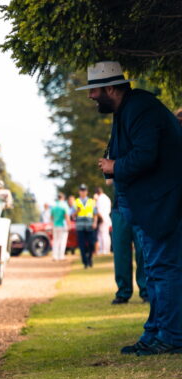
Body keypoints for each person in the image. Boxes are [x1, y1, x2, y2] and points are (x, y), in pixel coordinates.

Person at [82, 60, 182, 355]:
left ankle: (172, 336)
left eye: (94, 90)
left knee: (164, 270)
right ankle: (155, 332)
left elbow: (146, 155)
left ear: (110, 88)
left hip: (161, 205)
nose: (90, 96)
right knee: (154, 271)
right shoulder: (128, 109)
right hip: (150, 205)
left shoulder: (141, 108)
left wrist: (115, 165)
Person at [110, 193, 148, 305]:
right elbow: (108, 179)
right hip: (120, 208)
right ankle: (123, 292)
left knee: (143, 252)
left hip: (142, 207)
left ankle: (146, 291)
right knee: (121, 254)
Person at [73, 184, 97, 268]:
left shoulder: (92, 201)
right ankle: (85, 262)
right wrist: (76, 211)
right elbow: (72, 215)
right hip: (80, 226)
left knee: (91, 244)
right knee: (81, 245)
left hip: (90, 225)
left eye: (84, 190)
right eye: (81, 190)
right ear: (79, 192)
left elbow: (95, 214)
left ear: (86, 191)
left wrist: (95, 223)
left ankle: (89, 258)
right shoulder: (75, 202)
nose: (83, 192)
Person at [50, 192, 71, 260]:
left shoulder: (54, 205)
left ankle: (55, 256)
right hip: (62, 225)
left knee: (55, 241)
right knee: (62, 241)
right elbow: (67, 216)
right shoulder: (64, 205)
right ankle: (61, 256)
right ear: (63, 198)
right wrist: (69, 225)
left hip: (55, 225)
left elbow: (51, 217)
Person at [94, 186, 112, 254]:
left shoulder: (99, 199)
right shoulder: (107, 198)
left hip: (102, 218)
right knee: (106, 234)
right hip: (107, 217)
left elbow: (98, 210)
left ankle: (103, 250)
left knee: (102, 235)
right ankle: (106, 249)